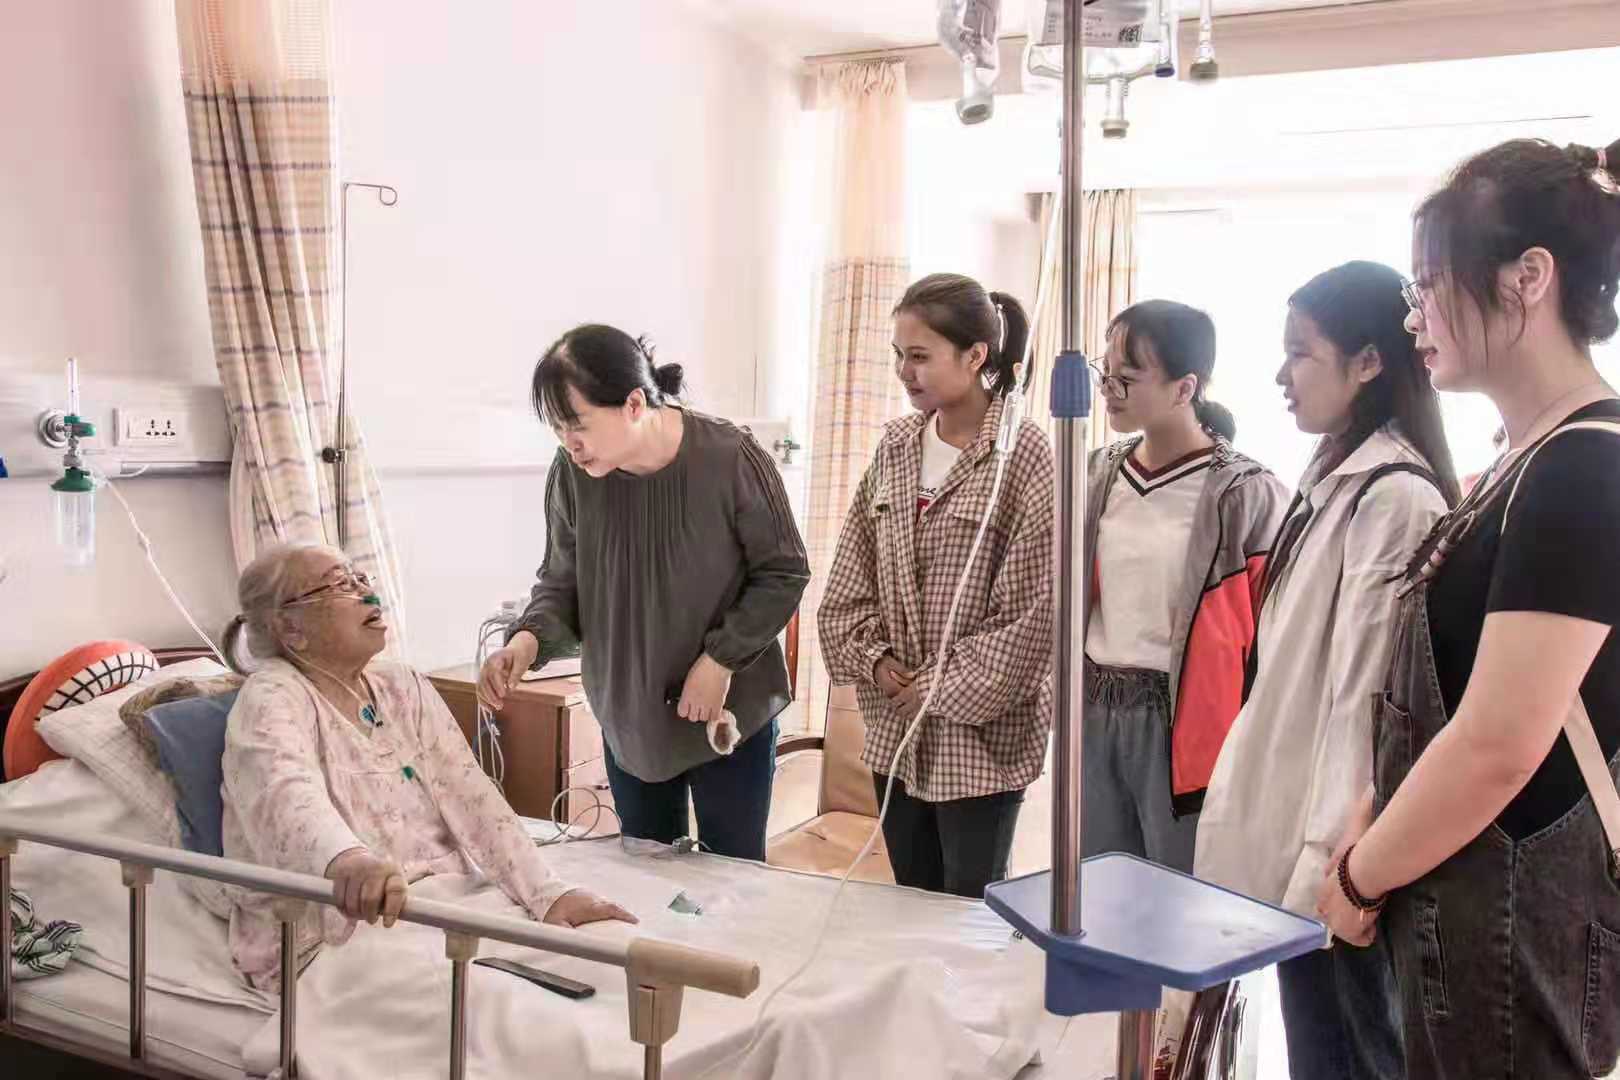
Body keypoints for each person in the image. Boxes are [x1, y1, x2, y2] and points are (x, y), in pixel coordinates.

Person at [1317, 138, 1620, 1079]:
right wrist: (1370, 822)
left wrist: (1360, 877)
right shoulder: (1522, 463)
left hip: (1512, 922)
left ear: (1529, 277)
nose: (1415, 315)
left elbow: (1498, 744)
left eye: (1428, 284)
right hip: (1462, 907)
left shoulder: (1583, 467)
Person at [1195, 261, 1461, 1079]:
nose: (1282, 374)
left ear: (1369, 361)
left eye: (1300, 353)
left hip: (1340, 860)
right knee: (1322, 1049)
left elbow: (1365, 703)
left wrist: (1330, 869)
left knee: (1346, 1056)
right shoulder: (1332, 478)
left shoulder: (1395, 497)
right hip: (1304, 842)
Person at [220, 543, 635, 990]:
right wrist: (349, 862)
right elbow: (287, 798)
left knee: (613, 958)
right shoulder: (273, 696)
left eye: (361, 579)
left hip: (441, 905)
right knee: (507, 1001)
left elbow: (472, 795)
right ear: (290, 627)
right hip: (340, 930)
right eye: (341, 584)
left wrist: (547, 893)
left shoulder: (400, 685)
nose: (368, 594)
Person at [480, 325, 809, 862]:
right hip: (630, 716)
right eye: (558, 429)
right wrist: (524, 644)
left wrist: (720, 660)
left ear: (634, 404)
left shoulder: (730, 457)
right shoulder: (572, 474)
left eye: (578, 425)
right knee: (646, 877)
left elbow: (785, 571)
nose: (569, 444)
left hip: (728, 712)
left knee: (735, 883)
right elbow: (561, 582)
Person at [818, 273, 1053, 899]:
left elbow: (1031, 619)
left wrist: (933, 687)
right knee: (909, 909)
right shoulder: (895, 448)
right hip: (893, 730)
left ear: (975, 356)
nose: (905, 371)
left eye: (920, 356)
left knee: (968, 918)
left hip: (979, 744)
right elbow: (847, 586)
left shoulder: (1025, 456)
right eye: (899, 354)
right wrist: (877, 663)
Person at [1082, 300, 1287, 873]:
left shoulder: (1246, 492)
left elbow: (1274, 634)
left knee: (1183, 894)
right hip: (1095, 706)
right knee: (1098, 892)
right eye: (1104, 373)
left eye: (1127, 378)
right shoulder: (1097, 472)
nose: (1109, 391)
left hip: (1188, 717)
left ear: (1184, 388)